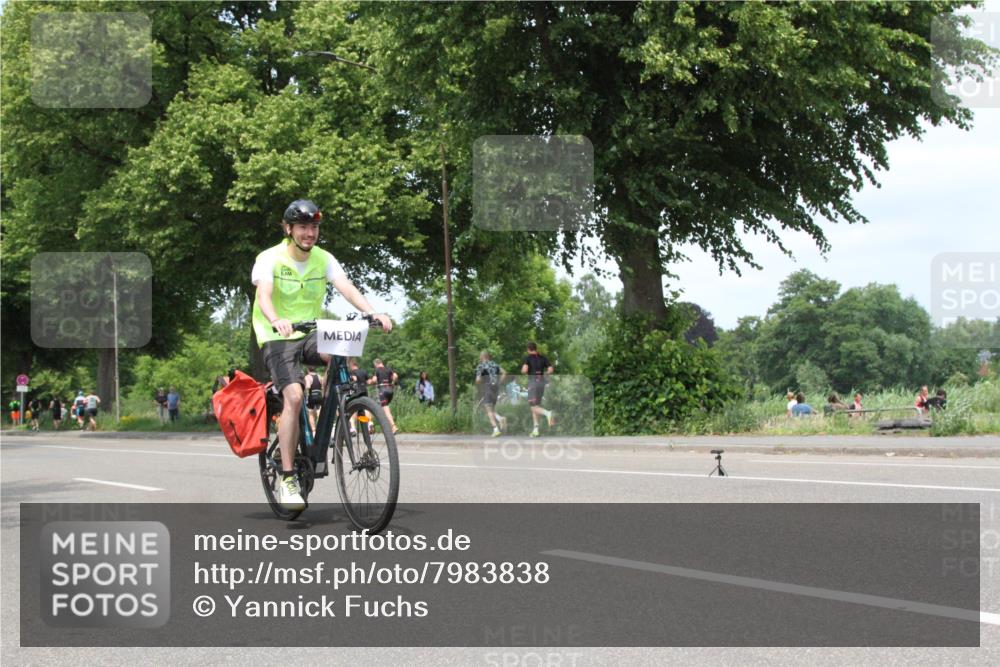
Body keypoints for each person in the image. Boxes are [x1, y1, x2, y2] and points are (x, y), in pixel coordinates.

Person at [251, 198, 392, 511]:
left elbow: (345, 286)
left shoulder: (324, 259)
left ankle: (337, 407)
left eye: (314, 227)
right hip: (278, 335)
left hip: (312, 332)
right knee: (294, 397)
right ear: (288, 229)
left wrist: (373, 312)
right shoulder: (269, 259)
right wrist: (275, 318)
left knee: (341, 358)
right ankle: (288, 477)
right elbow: (264, 295)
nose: (309, 233)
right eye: (302, 226)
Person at [521, 342, 555, 437]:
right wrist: (546, 373)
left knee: (533, 407)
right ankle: (536, 430)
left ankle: (548, 413)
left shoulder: (527, 358)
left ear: (528, 349)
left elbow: (524, 370)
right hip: (541, 383)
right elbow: (551, 369)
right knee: (536, 406)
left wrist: (523, 370)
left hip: (533, 383)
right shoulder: (543, 358)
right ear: (535, 348)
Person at [475, 351, 507, 436]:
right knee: (490, 408)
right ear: (489, 357)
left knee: (488, 409)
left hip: (487, 388)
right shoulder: (495, 364)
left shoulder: (481, 366)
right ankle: (500, 418)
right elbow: (504, 373)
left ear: (482, 357)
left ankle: (495, 429)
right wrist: (499, 382)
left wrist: (479, 382)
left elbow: (478, 380)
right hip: (496, 388)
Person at [369, 359, 399, 435]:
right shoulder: (388, 369)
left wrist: (372, 381)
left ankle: (393, 426)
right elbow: (395, 376)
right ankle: (386, 427)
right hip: (390, 390)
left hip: (383, 390)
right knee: (383, 408)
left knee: (385, 410)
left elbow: (374, 380)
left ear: (376, 364)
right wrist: (392, 382)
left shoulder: (377, 370)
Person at [349, 358, 371, 436]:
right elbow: (369, 382)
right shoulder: (363, 371)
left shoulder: (351, 372)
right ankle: (369, 424)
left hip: (355, 392)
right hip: (364, 391)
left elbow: (354, 379)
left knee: (354, 410)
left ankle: (353, 428)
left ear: (352, 365)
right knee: (365, 408)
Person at [304, 366, 324, 433]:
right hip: (319, 395)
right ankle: (321, 427)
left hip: (312, 396)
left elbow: (308, 386)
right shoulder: (319, 376)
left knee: (311, 413)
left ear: (308, 369)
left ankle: (313, 429)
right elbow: (323, 385)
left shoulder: (308, 377)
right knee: (319, 412)